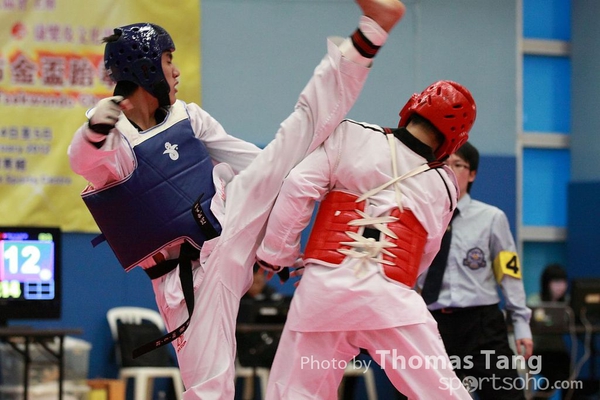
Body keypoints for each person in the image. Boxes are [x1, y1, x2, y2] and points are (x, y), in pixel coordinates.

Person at [67, 1, 406, 399]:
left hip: (231, 222)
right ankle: (280, 249)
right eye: (168, 60)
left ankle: (370, 34)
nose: (176, 71)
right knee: (209, 389)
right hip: (189, 279)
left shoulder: (188, 116)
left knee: (294, 141)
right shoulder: (114, 142)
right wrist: (95, 128)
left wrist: (303, 178)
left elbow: (256, 163)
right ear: (144, 69)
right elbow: (83, 159)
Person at [255, 79, 477, 398]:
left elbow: (298, 186)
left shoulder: (351, 135)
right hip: (391, 304)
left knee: (295, 393)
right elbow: (426, 252)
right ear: (456, 138)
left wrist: (277, 254)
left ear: (412, 106)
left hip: (324, 294)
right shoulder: (444, 185)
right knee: (442, 393)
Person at [417, 141, 533, 400]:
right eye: (443, 164)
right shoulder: (421, 216)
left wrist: (521, 324)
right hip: (434, 324)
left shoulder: (491, 218)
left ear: (472, 174)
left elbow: (509, 275)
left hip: (482, 324)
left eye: (457, 164)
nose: (449, 170)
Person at [528, 263, 571, 400]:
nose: (560, 286)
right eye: (556, 282)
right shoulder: (535, 300)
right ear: (547, 283)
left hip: (559, 351)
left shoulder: (569, 303)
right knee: (555, 372)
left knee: (566, 368)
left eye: (563, 282)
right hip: (538, 351)